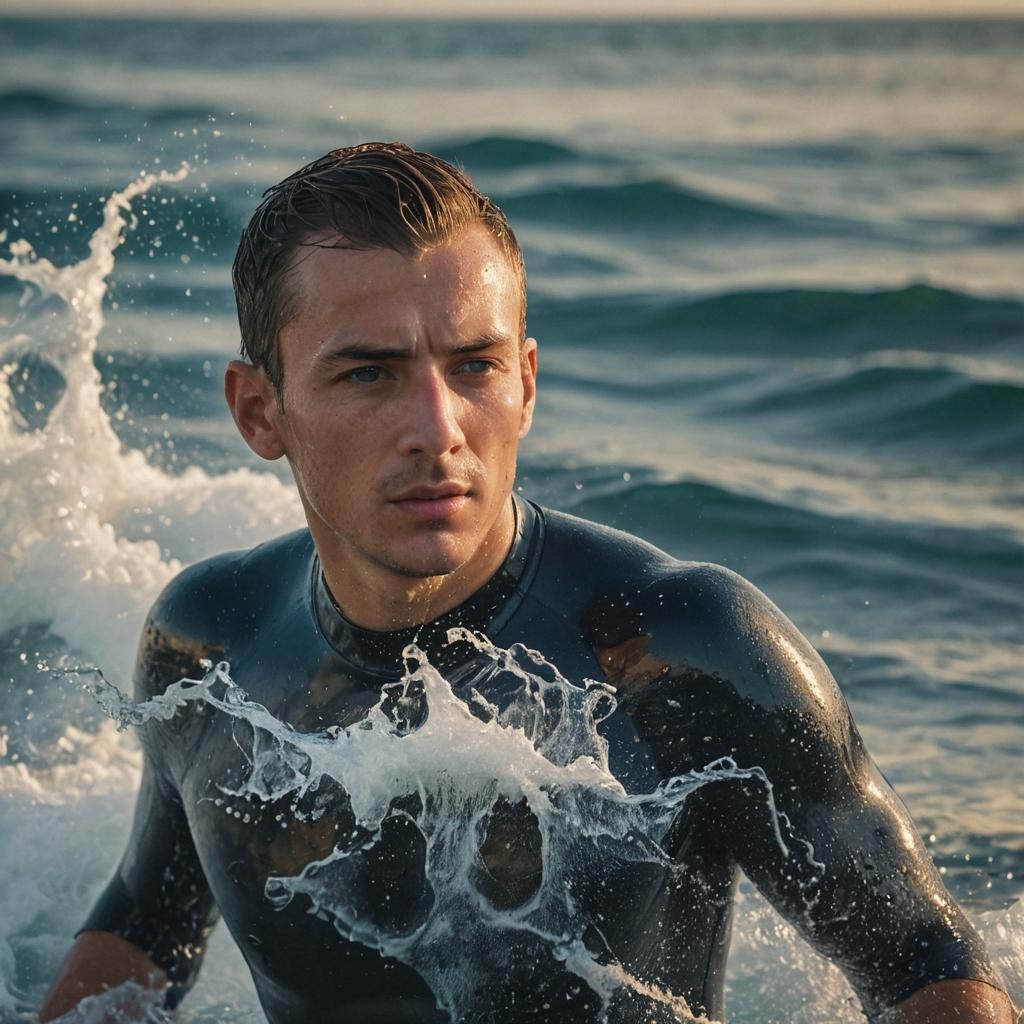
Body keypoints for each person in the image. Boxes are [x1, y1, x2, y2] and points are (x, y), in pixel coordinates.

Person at [40, 143, 1016, 1024]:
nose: (438, 426)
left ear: (528, 383)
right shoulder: (215, 642)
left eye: (474, 366)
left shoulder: (679, 649)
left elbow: (921, 964)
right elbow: (142, 928)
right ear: (260, 412)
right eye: (368, 375)